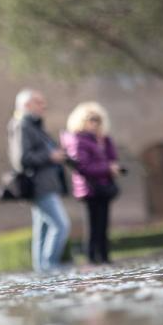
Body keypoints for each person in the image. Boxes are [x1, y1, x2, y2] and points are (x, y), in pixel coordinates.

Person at [9, 89, 71, 272]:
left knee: (42, 230)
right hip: (39, 186)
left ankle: (42, 270)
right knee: (61, 225)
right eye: (38, 102)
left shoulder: (34, 126)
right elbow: (21, 159)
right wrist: (50, 155)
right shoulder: (22, 125)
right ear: (26, 105)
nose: (43, 105)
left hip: (47, 184)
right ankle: (50, 265)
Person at [61, 102, 122, 265]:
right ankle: (91, 258)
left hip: (105, 185)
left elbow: (112, 157)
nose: (94, 123)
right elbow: (83, 166)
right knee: (93, 225)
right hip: (90, 187)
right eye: (91, 119)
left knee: (104, 223)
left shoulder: (102, 139)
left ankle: (104, 256)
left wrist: (106, 145)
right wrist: (107, 168)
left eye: (98, 119)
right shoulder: (78, 140)